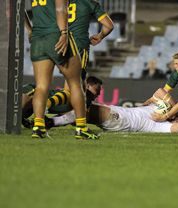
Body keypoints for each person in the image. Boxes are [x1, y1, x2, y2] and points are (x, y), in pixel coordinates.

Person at [30, 0, 98, 139]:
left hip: (38, 38)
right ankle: (81, 128)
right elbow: (61, 7)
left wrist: (29, 29)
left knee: (41, 86)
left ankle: (38, 127)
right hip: (56, 34)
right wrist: (64, 33)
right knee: (76, 83)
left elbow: (18, 10)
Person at [45, 0, 114, 110]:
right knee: (76, 86)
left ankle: (65, 115)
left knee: (70, 86)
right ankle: (46, 105)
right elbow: (109, 26)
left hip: (58, 45)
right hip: (78, 46)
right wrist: (100, 36)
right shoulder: (89, 3)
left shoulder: (57, 2)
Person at [49, 89, 178, 133]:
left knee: (88, 111)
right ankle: (50, 117)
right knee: (84, 110)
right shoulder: (160, 109)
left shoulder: (162, 125)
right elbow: (159, 91)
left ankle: (51, 120)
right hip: (119, 112)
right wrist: (175, 108)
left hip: (123, 121)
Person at [22, 76, 103, 128]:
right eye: (97, 90)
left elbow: (67, 116)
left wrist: (50, 121)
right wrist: (52, 122)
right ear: (88, 86)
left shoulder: (83, 97)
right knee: (28, 101)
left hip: (35, 96)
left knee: (27, 110)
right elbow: (72, 117)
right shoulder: (86, 95)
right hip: (32, 91)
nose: (98, 94)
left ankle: (20, 118)